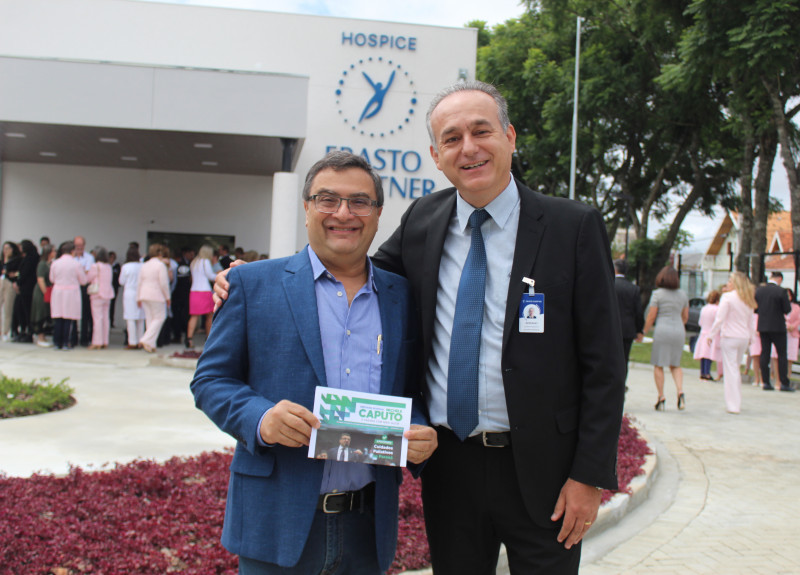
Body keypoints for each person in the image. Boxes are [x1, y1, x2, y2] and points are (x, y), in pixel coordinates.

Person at [215, 82, 625, 575]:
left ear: (510, 136)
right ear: (435, 154)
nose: (468, 148)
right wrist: (247, 279)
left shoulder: (572, 226)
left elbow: (605, 362)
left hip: (545, 470)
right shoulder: (423, 221)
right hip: (451, 467)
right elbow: (349, 265)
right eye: (452, 138)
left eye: (481, 131)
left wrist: (588, 475)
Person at [191, 151, 437, 574]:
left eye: (359, 201)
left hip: (367, 526)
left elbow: (410, 388)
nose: (343, 213)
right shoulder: (252, 284)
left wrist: (419, 433)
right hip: (275, 524)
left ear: (378, 214)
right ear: (306, 208)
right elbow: (210, 380)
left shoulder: (402, 296)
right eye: (328, 199)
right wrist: (260, 417)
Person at [708, 272, 757, 414]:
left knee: (731, 370)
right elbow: (751, 321)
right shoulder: (747, 298)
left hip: (730, 337)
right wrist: (751, 338)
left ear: (736, 283)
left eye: (730, 281)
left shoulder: (728, 297)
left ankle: (733, 404)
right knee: (735, 368)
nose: (728, 283)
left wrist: (711, 334)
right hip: (743, 337)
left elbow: (720, 318)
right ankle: (736, 402)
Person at [642, 265, 689, 411]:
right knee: (675, 363)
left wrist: (644, 330)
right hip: (679, 330)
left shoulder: (657, 294)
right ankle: (680, 391)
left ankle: (661, 396)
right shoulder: (683, 294)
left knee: (659, 363)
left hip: (663, 329)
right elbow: (685, 317)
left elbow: (652, 315)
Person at [755, 271, 793, 391]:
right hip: (778, 326)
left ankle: (765, 382)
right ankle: (784, 383)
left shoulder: (759, 290)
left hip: (763, 325)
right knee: (782, 354)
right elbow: (787, 309)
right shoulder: (781, 291)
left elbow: (755, 308)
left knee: (764, 353)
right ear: (780, 279)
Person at [50, 241, 87, 350]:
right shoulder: (76, 264)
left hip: (58, 291)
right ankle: (66, 342)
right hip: (71, 292)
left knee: (58, 317)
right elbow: (83, 281)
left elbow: (52, 278)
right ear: (72, 251)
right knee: (68, 318)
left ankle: (57, 342)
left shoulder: (55, 263)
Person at [136, 243, 171, 353]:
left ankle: (150, 344)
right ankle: (146, 339)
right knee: (160, 317)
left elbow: (139, 282)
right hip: (157, 295)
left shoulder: (144, 265)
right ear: (159, 253)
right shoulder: (160, 265)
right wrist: (167, 297)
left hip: (144, 294)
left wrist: (138, 297)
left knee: (150, 319)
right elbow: (164, 283)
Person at [613, 259, 644, 379]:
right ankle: (621, 383)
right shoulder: (633, 288)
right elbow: (638, 312)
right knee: (624, 358)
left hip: (610, 327)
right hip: (627, 329)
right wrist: (639, 329)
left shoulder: (610, 284)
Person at [186, 245, 218, 349]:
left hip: (194, 291)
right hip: (205, 291)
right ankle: (209, 339)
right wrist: (219, 275)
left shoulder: (194, 262)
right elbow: (210, 276)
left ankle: (189, 339)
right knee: (209, 316)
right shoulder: (206, 262)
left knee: (194, 316)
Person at [86, 246, 115, 349]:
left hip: (97, 294)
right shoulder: (108, 267)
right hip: (108, 294)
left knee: (97, 319)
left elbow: (88, 278)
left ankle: (97, 342)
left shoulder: (95, 266)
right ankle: (104, 341)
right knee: (105, 319)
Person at [771, 288, 800, 385]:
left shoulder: (796, 307)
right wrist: (786, 325)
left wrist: (793, 326)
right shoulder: (776, 305)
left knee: (789, 358)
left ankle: (786, 379)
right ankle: (777, 381)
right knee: (776, 357)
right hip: (779, 331)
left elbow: (799, 319)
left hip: (792, 334)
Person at [12, 240, 39, 342]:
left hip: (27, 289)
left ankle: (29, 333)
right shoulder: (29, 258)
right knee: (21, 310)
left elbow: (25, 273)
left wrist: (18, 283)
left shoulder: (30, 259)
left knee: (27, 311)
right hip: (25, 288)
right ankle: (23, 331)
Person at [119, 245, 145, 349]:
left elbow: (121, 281)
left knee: (130, 318)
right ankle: (141, 341)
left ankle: (132, 342)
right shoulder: (142, 266)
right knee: (141, 318)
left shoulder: (126, 267)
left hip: (129, 292)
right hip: (141, 292)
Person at [72, 235, 95, 347]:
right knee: (72, 313)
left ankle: (85, 339)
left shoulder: (89, 257)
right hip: (73, 287)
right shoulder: (70, 257)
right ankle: (73, 338)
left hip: (84, 287)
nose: (79, 247)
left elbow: (88, 272)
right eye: (77, 245)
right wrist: (81, 272)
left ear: (84, 246)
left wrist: (78, 273)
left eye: (81, 245)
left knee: (85, 314)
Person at [31, 244, 55, 347]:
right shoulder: (42, 264)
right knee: (40, 312)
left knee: (47, 313)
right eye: (53, 251)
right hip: (42, 292)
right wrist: (46, 293)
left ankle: (44, 336)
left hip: (50, 290)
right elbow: (40, 280)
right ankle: (40, 336)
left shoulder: (51, 263)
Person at [693, 290, 721, 380]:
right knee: (709, 354)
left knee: (703, 353)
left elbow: (700, 322)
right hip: (712, 333)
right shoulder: (717, 309)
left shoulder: (704, 308)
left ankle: (702, 372)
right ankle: (707, 372)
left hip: (703, 332)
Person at [171, 246, 193, 343]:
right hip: (182, 293)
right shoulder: (189, 265)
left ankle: (179, 335)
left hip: (181, 293)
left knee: (181, 316)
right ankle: (181, 336)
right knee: (181, 316)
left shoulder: (178, 266)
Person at [1, 241, 22, 342]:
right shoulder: (2, 260)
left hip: (9, 284)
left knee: (8, 309)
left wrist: (13, 274)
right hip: (1, 282)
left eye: (7, 248)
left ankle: (5, 331)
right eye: (4, 249)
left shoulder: (16, 260)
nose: (5, 251)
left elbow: (16, 272)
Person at [108, 251, 121, 328]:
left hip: (114, 287)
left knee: (112, 305)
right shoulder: (106, 265)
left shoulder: (116, 266)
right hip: (107, 287)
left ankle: (111, 321)